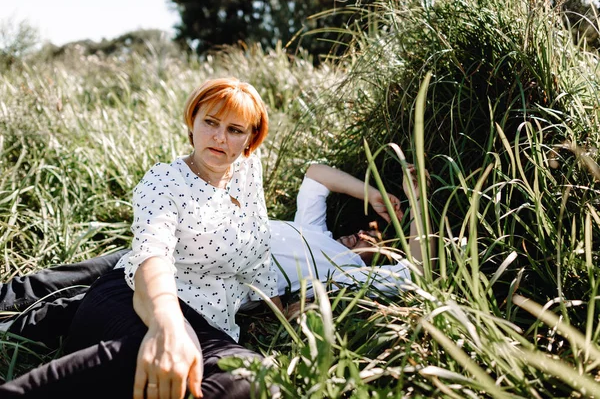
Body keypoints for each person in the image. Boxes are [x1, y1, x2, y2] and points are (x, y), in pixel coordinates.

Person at [0, 158, 430, 397]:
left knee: (67, 311)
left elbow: (415, 272)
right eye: (364, 225)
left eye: (375, 237)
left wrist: (413, 203)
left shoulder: (347, 271)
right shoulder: (313, 228)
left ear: (381, 256)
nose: (363, 232)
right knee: (53, 281)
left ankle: (18, 331)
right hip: (181, 242)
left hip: (200, 288)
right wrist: (371, 194)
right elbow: (316, 174)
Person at [0, 77, 281, 399]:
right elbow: (153, 254)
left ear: (251, 139)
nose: (219, 137)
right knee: (150, 350)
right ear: (193, 122)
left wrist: (280, 309)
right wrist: (167, 324)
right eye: (211, 122)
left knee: (253, 376)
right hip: (138, 298)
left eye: (235, 129)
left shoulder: (247, 170)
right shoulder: (164, 180)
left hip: (210, 326)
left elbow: (258, 247)